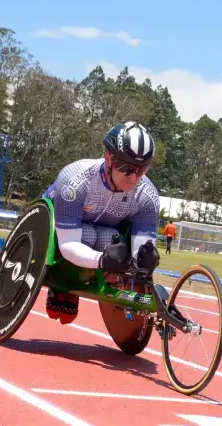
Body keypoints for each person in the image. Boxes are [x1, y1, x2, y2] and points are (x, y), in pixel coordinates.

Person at [42, 121, 161, 325]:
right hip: (58, 230)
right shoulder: (75, 179)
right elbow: (67, 244)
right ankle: (63, 280)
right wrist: (102, 260)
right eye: (126, 167)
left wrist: (143, 257)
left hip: (104, 231)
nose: (133, 177)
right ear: (108, 158)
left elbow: (140, 249)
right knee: (88, 235)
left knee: (110, 240)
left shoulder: (147, 196)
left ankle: (82, 277)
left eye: (141, 170)